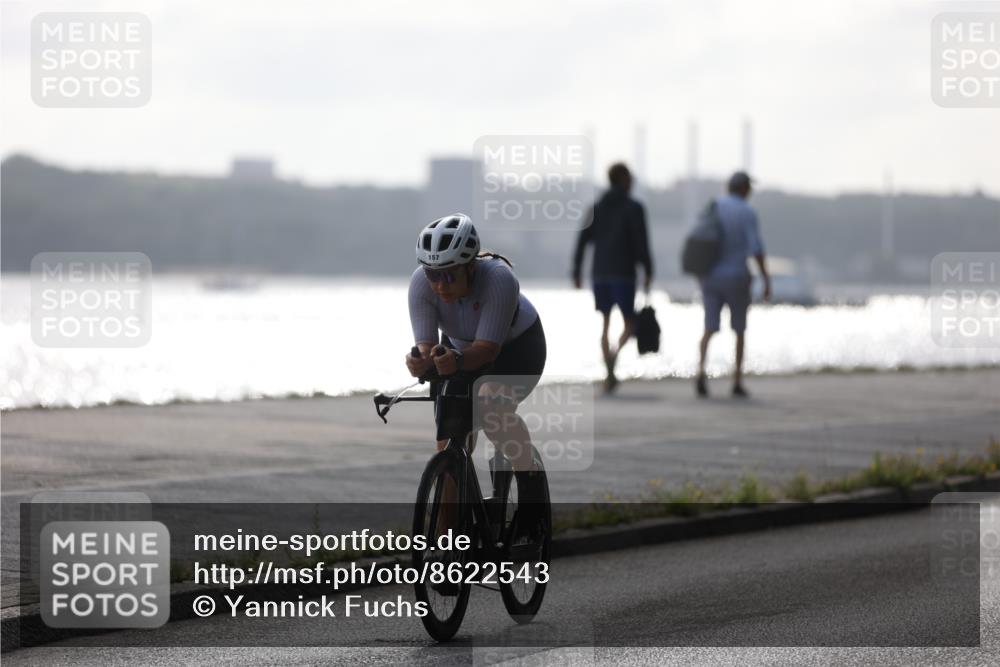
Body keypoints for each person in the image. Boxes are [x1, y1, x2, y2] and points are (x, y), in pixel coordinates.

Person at [405, 213, 547, 538]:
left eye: (450, 276)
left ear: (470, 265)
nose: (441, 285)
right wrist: (420, 362)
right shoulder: (420, 285)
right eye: (432, 275)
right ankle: (449, 548)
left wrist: (453, 361)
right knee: (447, 448)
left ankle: (530, 484)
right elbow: (426, 347)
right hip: (458, 350)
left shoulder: (499, 278)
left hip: (515, 349)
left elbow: (486, 352)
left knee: (491, 404)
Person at [572, 162, 653, 393]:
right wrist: (648, 270)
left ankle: (609, 372)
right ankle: (614, 358)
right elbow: (642, 242)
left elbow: (582, 241)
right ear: (622, 179)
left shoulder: (597, 207)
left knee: (605, 322)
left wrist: (577, 271)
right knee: (629, 322)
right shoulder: (634, 208)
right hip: (624, 273)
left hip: (599, 273)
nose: (633, 180)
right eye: (630, 177)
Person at [696, 171, 771, 398]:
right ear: (744, 189)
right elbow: (756, 248)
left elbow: (700, 239)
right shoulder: (747, 212)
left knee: (709, 328)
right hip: (737, 275)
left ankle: (700, 371)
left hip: (710, 275)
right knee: (739, 330)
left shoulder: (713, 206)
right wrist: (766, 278)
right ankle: (737, 380)